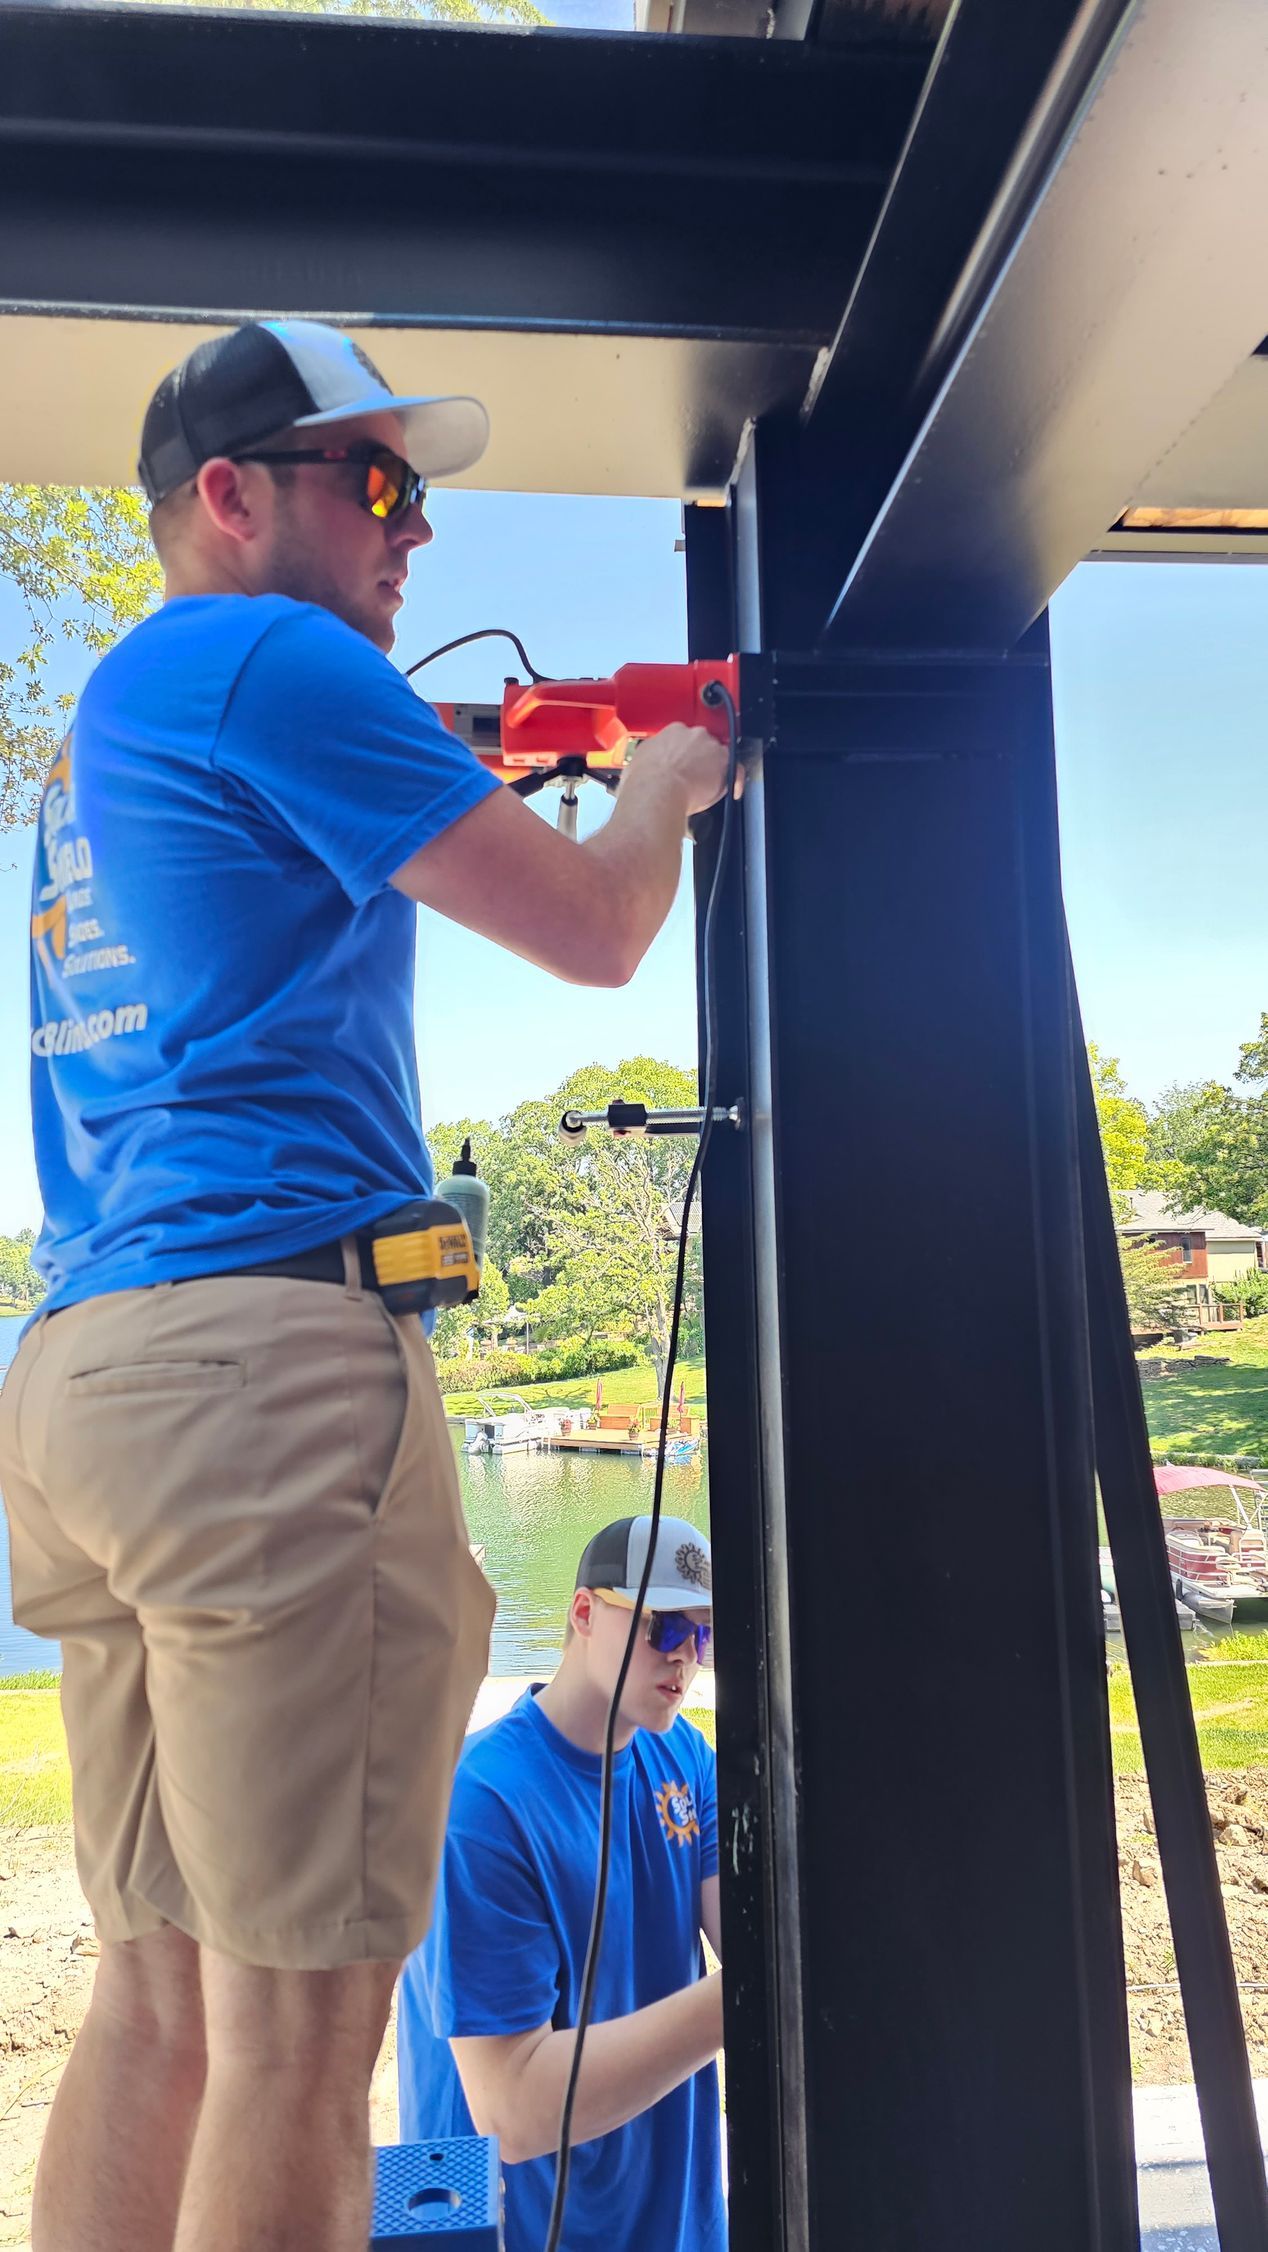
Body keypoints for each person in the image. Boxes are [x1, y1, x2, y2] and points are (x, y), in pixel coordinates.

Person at [0, 320, 731, 2252]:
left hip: (95, 1367)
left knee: (158, 2002)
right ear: (230, 499)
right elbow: (586, 931)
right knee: (307, 2041)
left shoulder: (118, 718)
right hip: (262, 1377)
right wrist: (660, 783)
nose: (419, 535)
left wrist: (492, 748)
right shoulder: (270, 656)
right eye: (379, 485)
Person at [397, 1514, 725, 2252]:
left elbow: (750, 1930)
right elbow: (511, 2109)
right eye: (663, 1629)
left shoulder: (687, 1759)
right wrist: (744, 1998)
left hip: (674, 2219)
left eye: (703, 1636)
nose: (687, 1659)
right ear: (584, 1613)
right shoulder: (482, 1804)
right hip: (524, 2229)